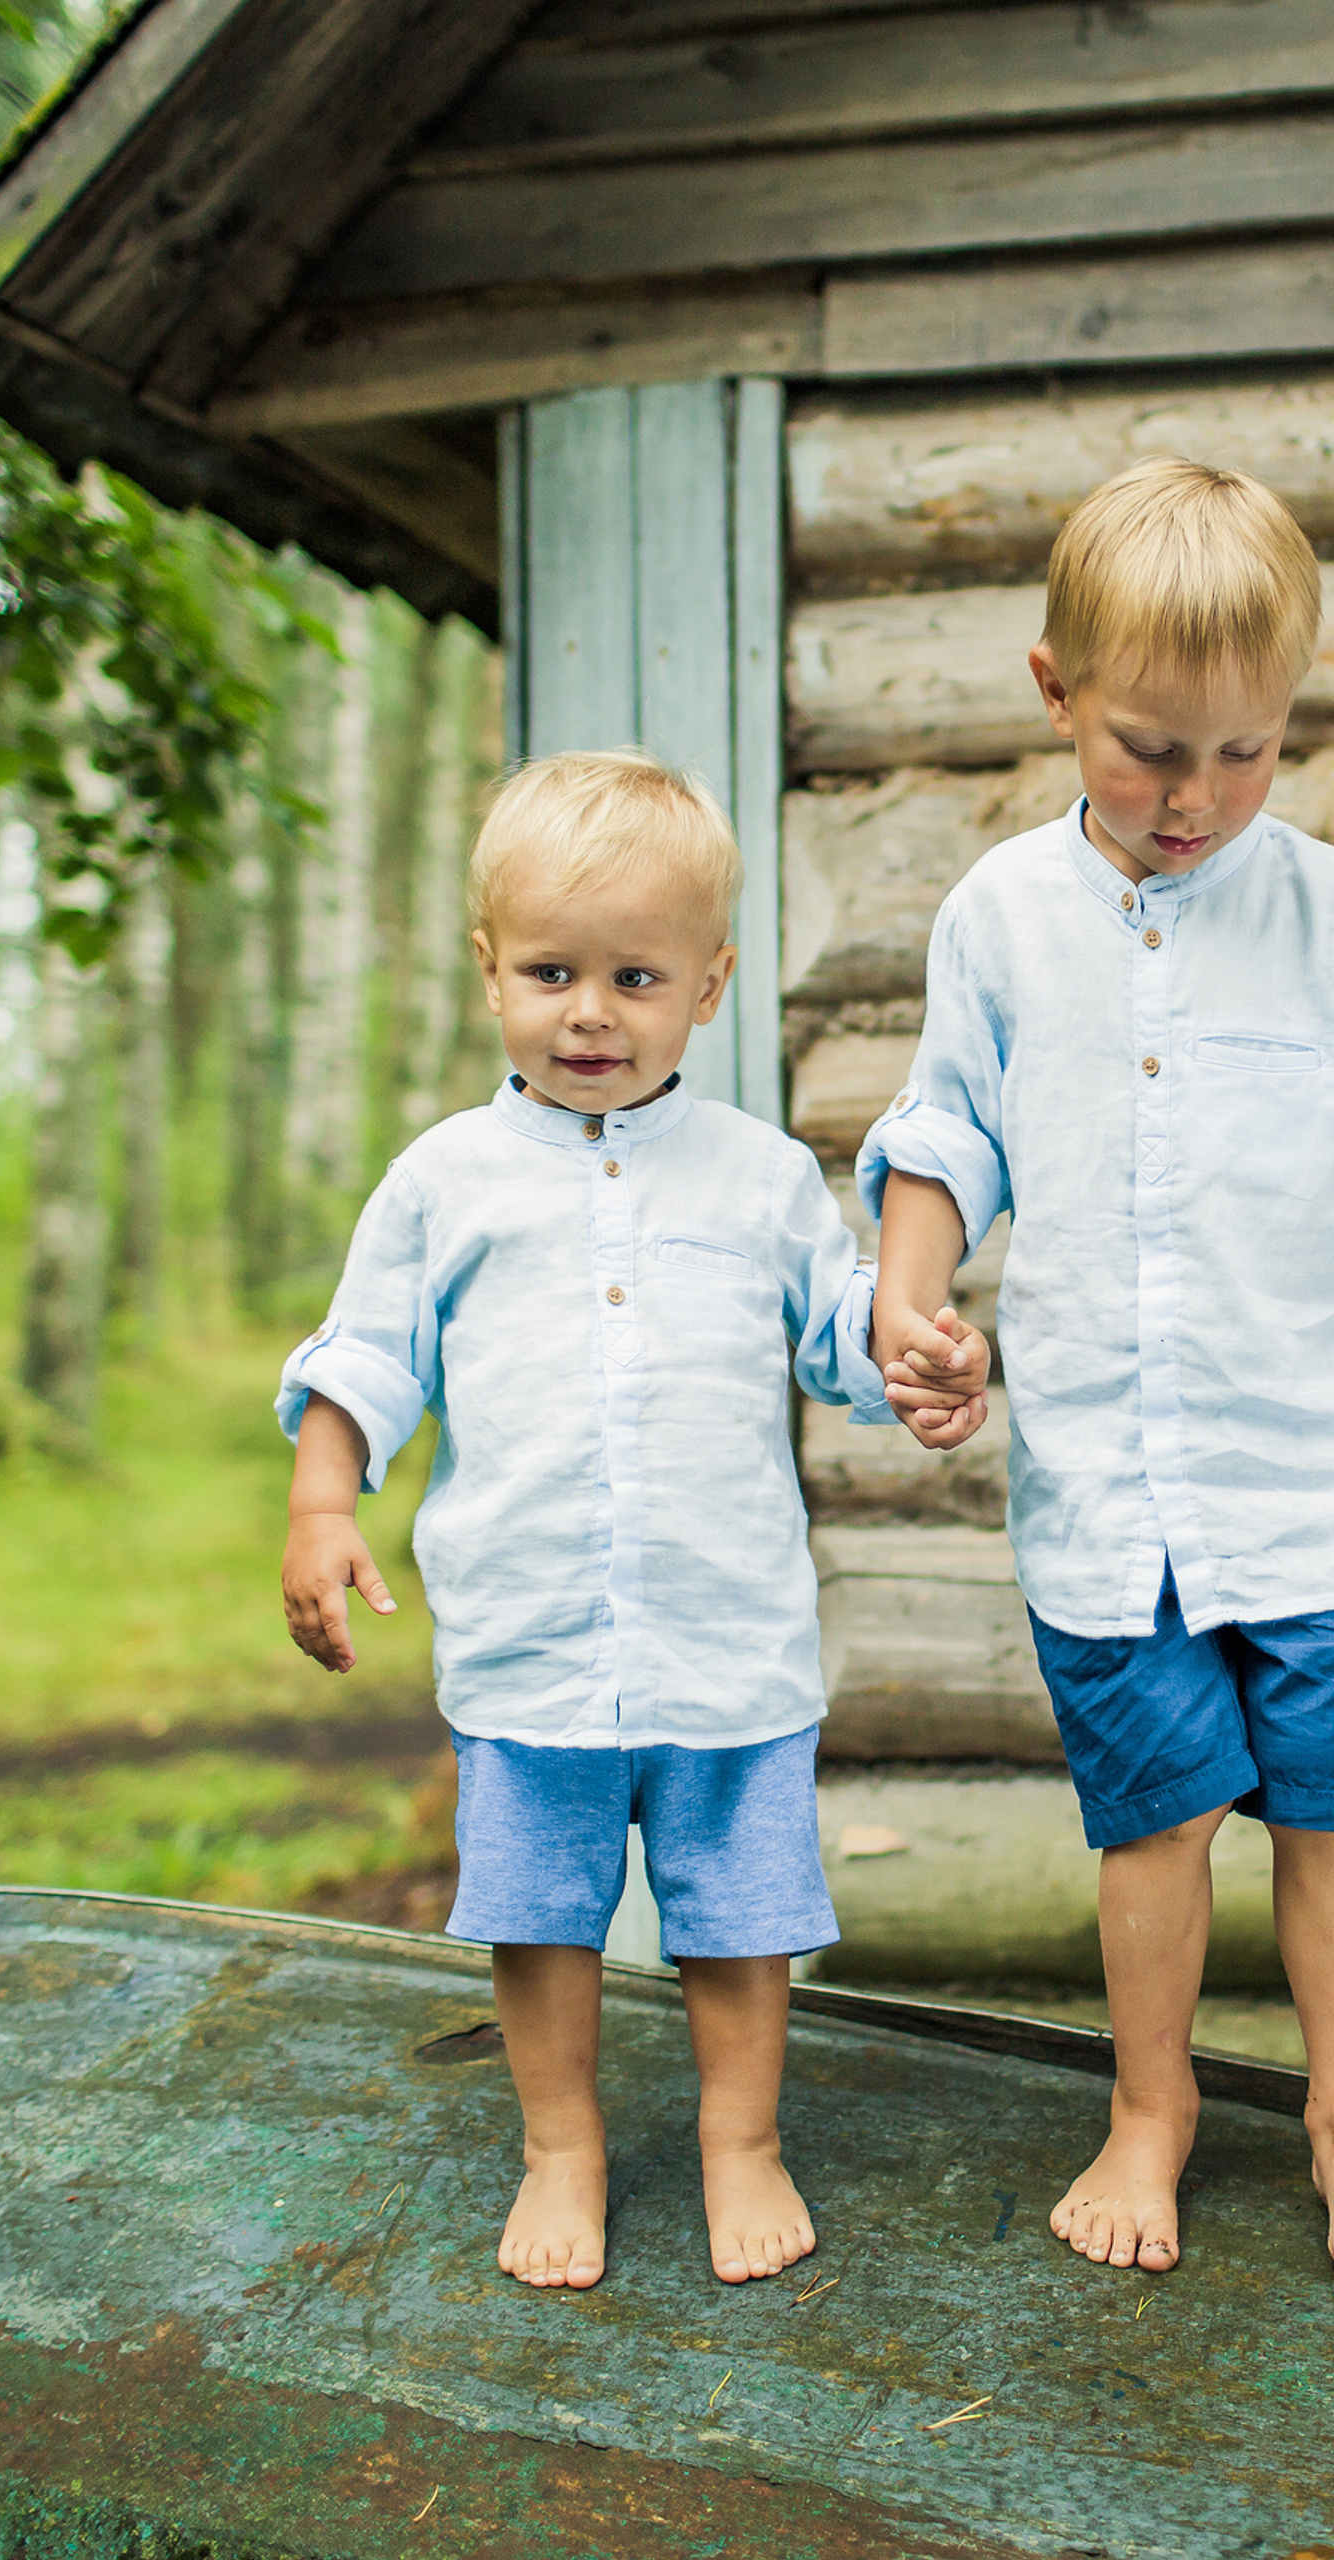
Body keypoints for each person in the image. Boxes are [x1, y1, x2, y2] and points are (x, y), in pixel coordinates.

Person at [859, 457, 1334, 2295]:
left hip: (1301, 1479)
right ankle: (1152, 2105)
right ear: (1056, 694)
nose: (1199, 798)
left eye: (1245, 753)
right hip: (1105, 1483)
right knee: (1156, 1821)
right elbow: (945, 1139)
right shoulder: (999, 921)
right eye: (1155, 748)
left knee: (1325, 1817)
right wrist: (913, 1306)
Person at [276, 750, 983, 2295]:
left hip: (726, 1641)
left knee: (739, 1922)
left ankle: (743, 2143)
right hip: (533, 1647)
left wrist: (912, 1354)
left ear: (710, 985)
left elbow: (841, 1324)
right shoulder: (442, 1183)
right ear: (490, 969)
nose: (590, 1011)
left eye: (636, 976)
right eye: (551, 972)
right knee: (542, 1919)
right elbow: (366, 1358)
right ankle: (562, 2147)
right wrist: (326, 1499)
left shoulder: (757, 1177)